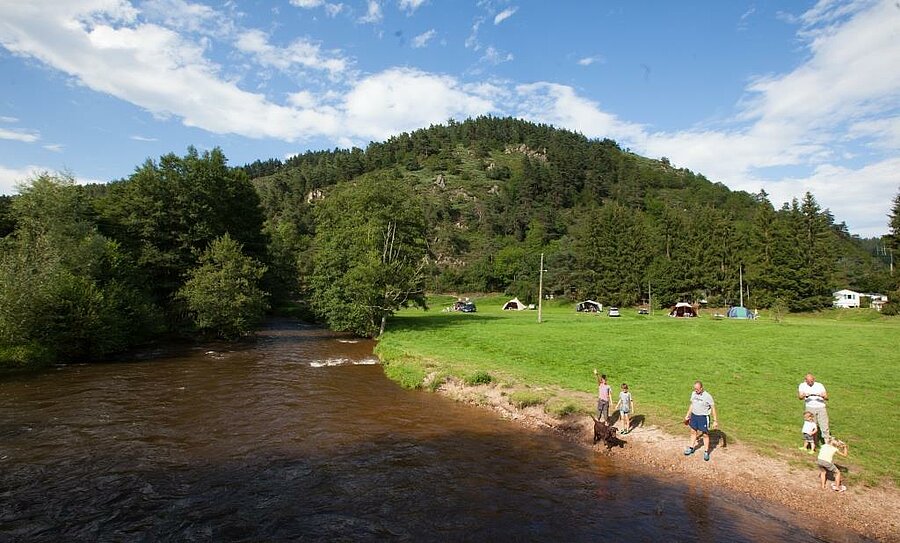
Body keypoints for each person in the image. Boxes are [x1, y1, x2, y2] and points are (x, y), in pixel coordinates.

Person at [683, 380, 719, 461]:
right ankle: (691, 447)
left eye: (697, 389)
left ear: (701, 388)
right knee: (693, 432)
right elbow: (692, 405)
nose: (696, 391)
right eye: (695, 389)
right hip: (694, 416)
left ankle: (706, 452)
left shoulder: (707, 396)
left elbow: (713, 408)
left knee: (705, 435)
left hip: (703, 417)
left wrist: (715, 420)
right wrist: (687, 415)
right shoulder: (693, 394)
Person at [798, 373, 829, 439]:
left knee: (824, 425)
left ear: (814, 380)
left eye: (811, 381)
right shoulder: (802, 385)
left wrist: (822, 395)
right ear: (805, 380)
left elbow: (826, 397)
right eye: (808, 381)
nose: (810, 383)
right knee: (811, 426)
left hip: (821, 407)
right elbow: (800, 397)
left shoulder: (819, 385)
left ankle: (827, 442)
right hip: (810, 407)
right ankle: (813, 443)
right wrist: (805, 395)